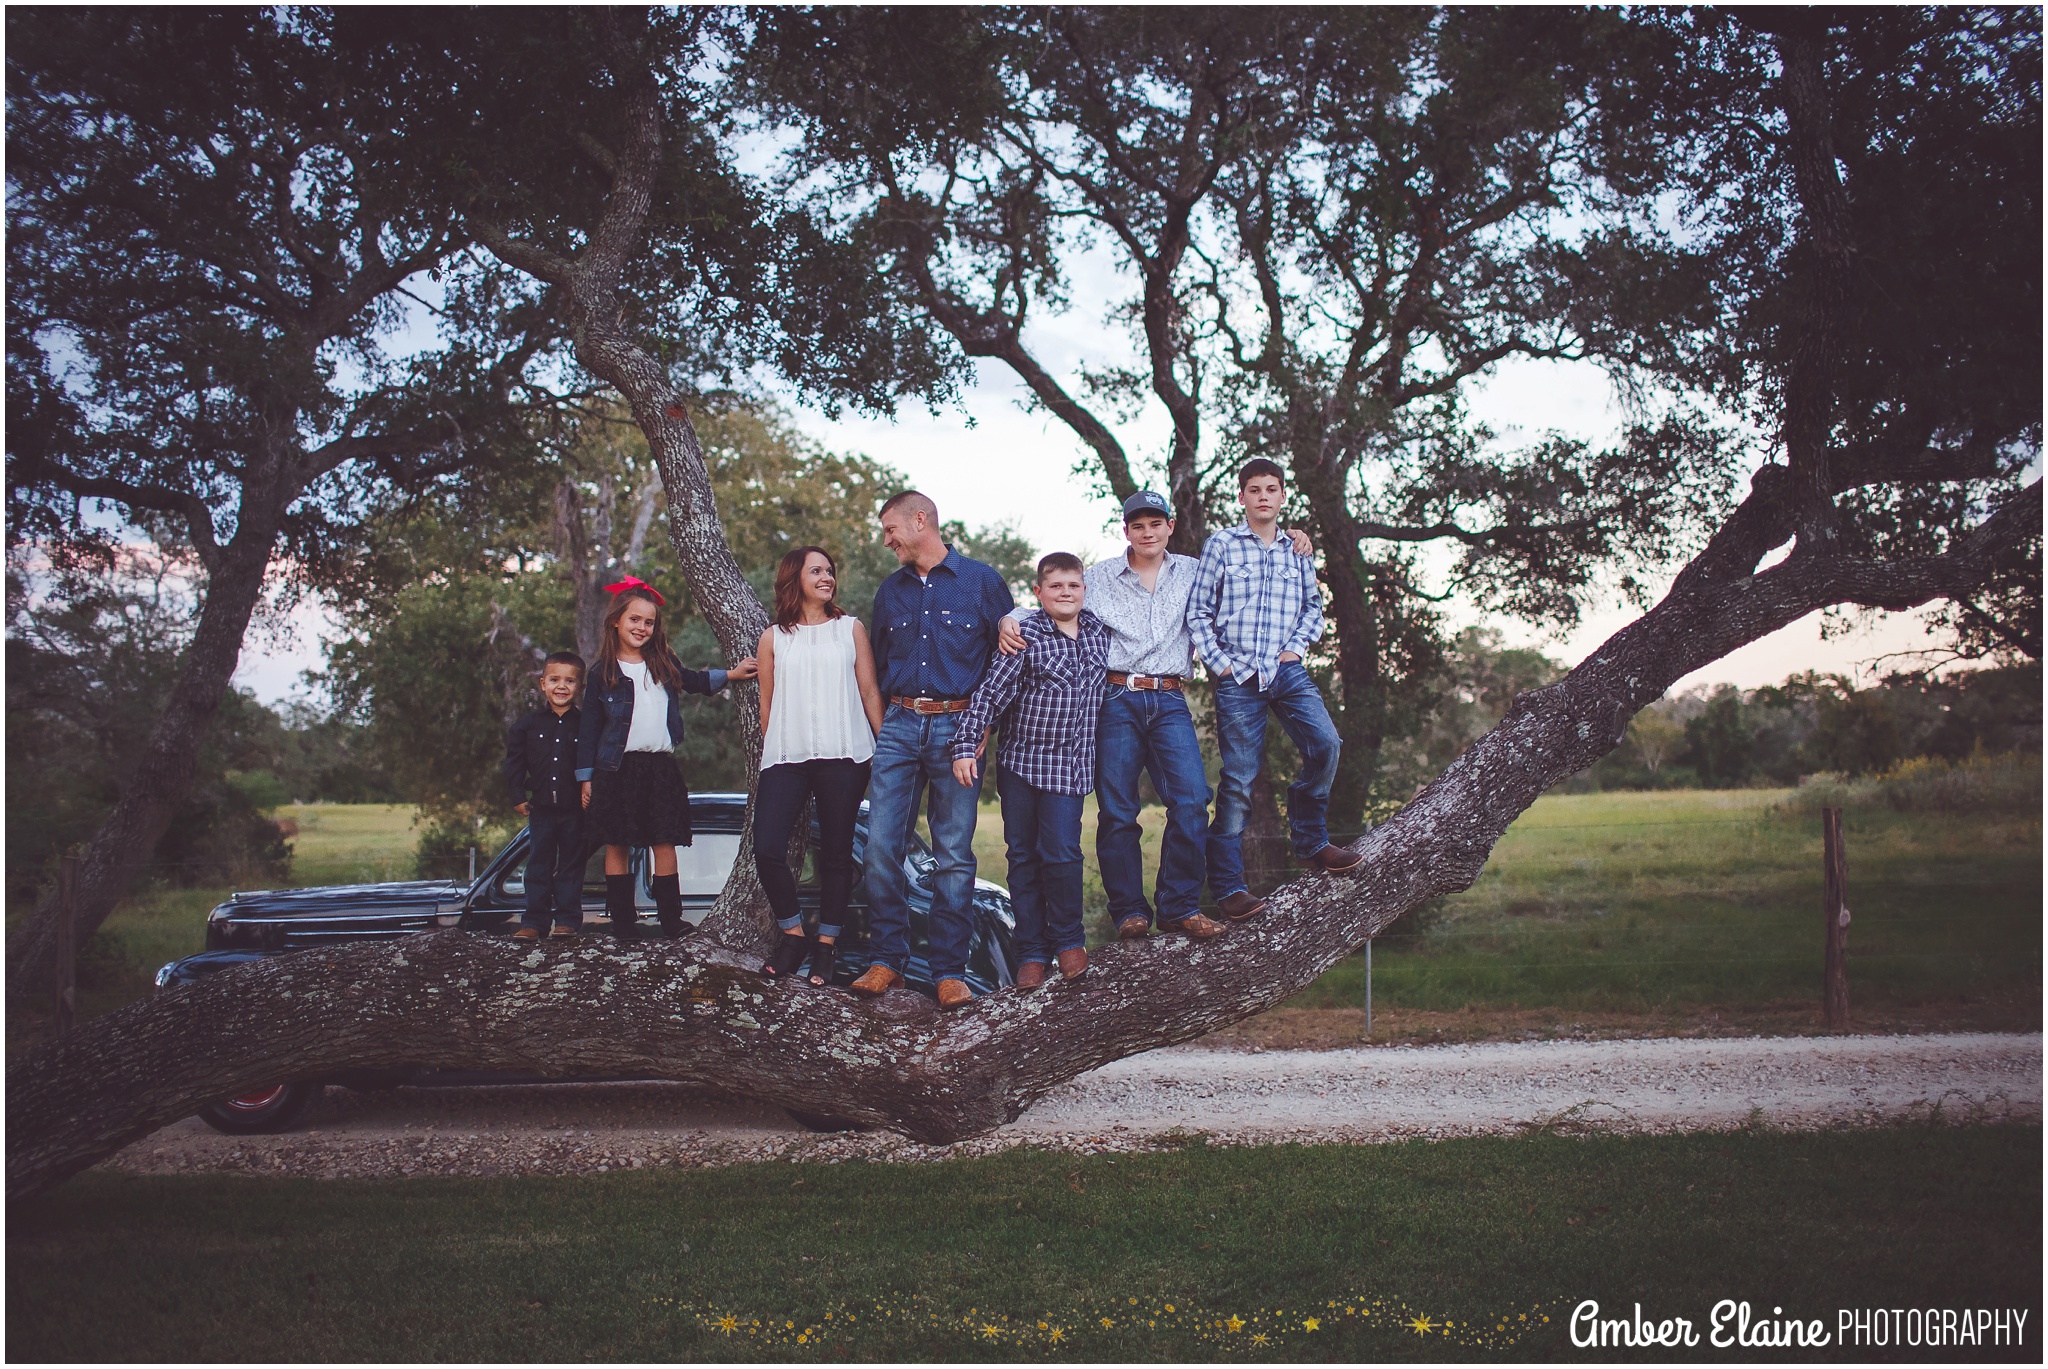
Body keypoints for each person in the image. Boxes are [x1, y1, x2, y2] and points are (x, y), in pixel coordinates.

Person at [997, 493, 1316, 937]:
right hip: (1115, 697)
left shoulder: (1194, 570)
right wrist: (1009, 616)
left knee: (1190, 800)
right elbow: (1056, 596)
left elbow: (1252, 589)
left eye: (1155, 523)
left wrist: (1292, 539)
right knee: (1118, 810)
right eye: (1137, 525)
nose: (1147, 532)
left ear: (1170, 525)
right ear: (1125, 530)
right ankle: (1129, 911)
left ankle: (1178, 905)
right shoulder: (1101, 576)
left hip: (1168, 698)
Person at [849, 491, 1015, 1005]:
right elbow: (872, 669)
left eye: (889, 529)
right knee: (879, 848)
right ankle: (887, 962)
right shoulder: (889, 592)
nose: (886, 540)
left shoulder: (983, 583)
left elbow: (1007, 661)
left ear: (919, 520)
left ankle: (948, 971)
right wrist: (886, 731)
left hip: (958, 730)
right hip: (898, 726)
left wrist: (981, 725)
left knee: (953, 856)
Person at [1189, 458, 1362, 917]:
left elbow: (1313, 608)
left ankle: (1311, 840)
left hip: (1285, 671)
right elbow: (1199, 613)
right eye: (1254, 489)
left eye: (1271, 489)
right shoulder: (1222, 545)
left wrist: (1298, 649)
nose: (1263, 496)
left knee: (1326, 744)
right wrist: (1222, 666)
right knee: (1240, 780)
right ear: (1242, 497)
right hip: (1238, 677)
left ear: (1283, 496)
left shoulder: (1297, 550)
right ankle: (1228, 888)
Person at [953, 552, 1110, 991]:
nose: (1065, 593)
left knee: (1061, 853)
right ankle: (1032, 953)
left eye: (1073, 586)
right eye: (1055, 586)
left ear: (1084, 590)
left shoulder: (1099, 632)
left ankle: (1069, 940)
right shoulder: (1025, 636)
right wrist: (965, 745)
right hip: (1022, 763)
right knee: (1022, 857)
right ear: (1039, 593)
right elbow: (990, 693)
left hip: (1071, 766)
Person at [576, 577, 759, 941]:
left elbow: (693, 680)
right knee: (618, 844)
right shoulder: (603, 673)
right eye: (634, 620)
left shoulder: (661, 662)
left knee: (665, 841)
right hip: (615, 769)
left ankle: (670, 920)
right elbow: (591, 727)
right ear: (616, 621)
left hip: (659, 767)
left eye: (648, 622)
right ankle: (624, 924)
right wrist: (586, 777)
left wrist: (732, 674)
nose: (641, 627)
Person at [754, 546, 884, 987]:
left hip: (845, 754)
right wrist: (778, 747)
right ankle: (793, 936)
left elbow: (868, 691)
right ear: (795, 578)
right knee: (767, 847)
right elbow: (766, 705)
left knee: (835, 855)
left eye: (830, 570)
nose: (827, 576)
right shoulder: (773, 637)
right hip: (786, 757)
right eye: (816, 570)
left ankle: (826, 947)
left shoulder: (850, 629)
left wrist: (885, 748)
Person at [505, 650, 588, 941]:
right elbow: (514, 763)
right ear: (543, 684)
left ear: (579, 686)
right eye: (554, 679)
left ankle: (567, 921)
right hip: (541, 809)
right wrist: (517, 796)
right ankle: (534, 922)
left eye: (570, 681)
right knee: (538, 865)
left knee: (570, 865)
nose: (561, 686)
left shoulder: (587, 726)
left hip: (575, 810)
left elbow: (594, 764)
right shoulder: (527, 726)